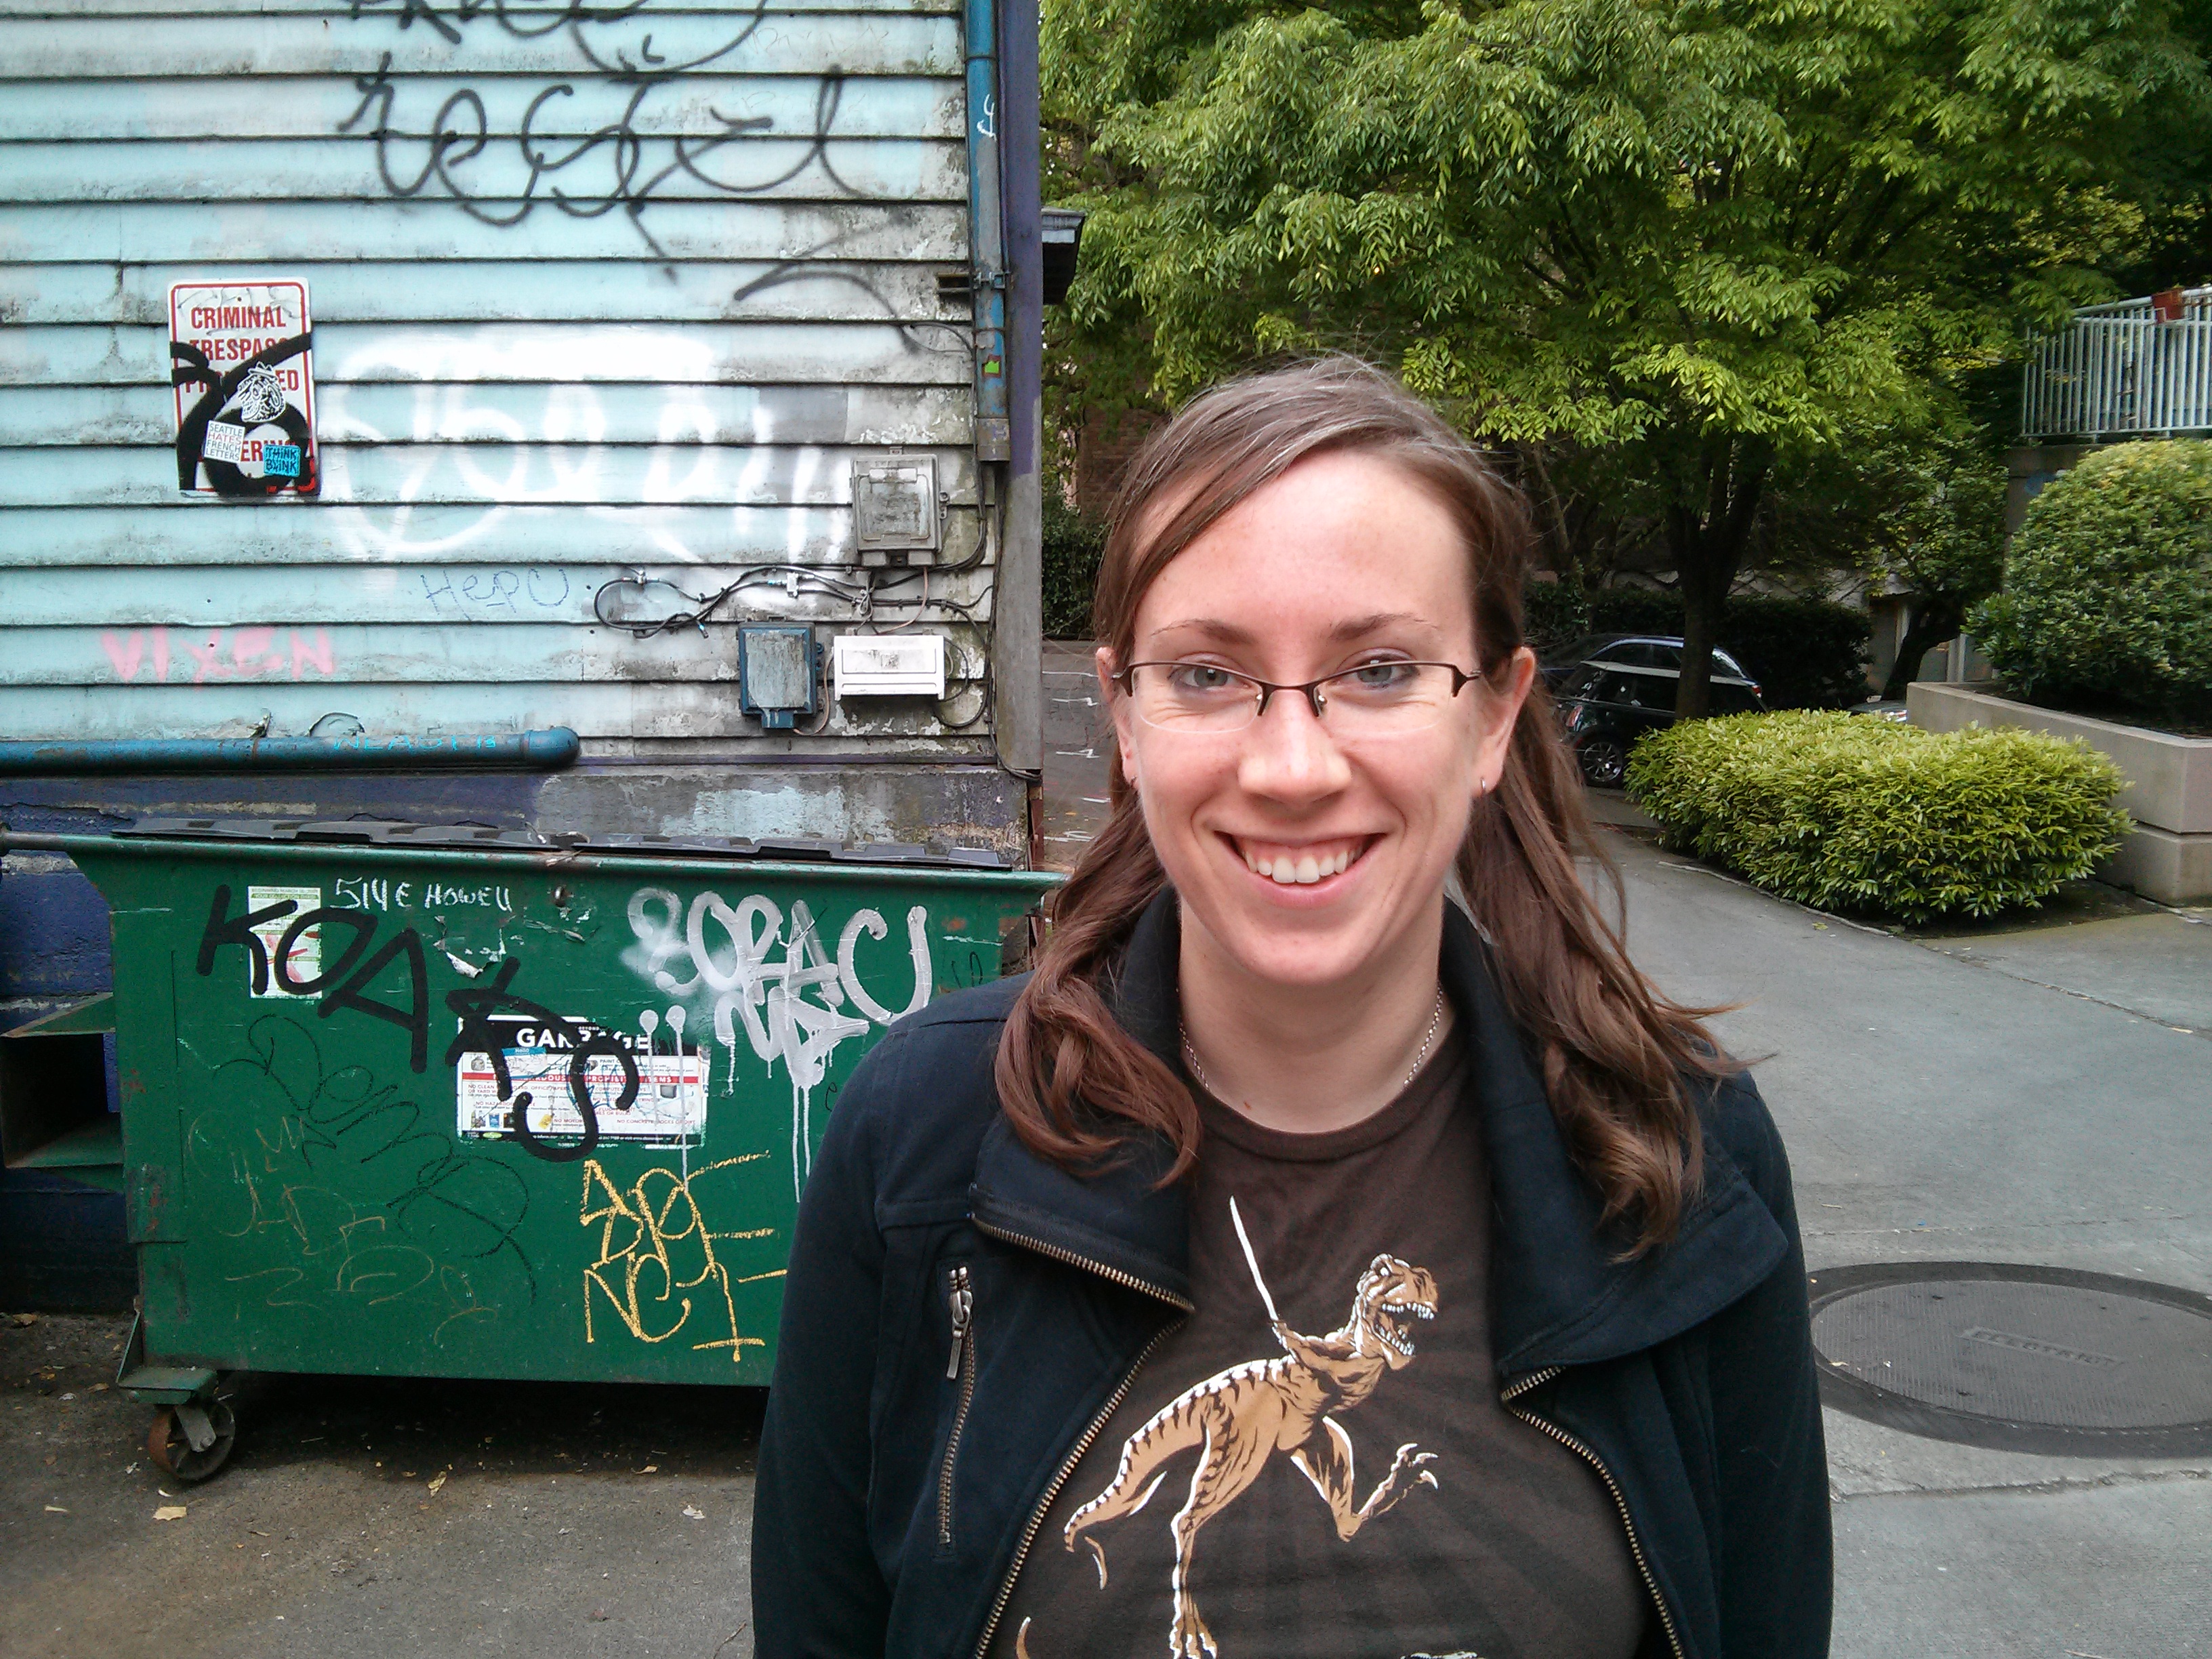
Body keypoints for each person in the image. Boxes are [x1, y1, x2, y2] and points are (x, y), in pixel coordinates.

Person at [752, 357, 1830, 1659]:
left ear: (1494, 719)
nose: (1293, 767)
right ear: (1127, 720)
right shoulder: (923, 1137)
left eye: (1378, 669)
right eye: (1209, 674)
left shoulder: (1684, 1152)